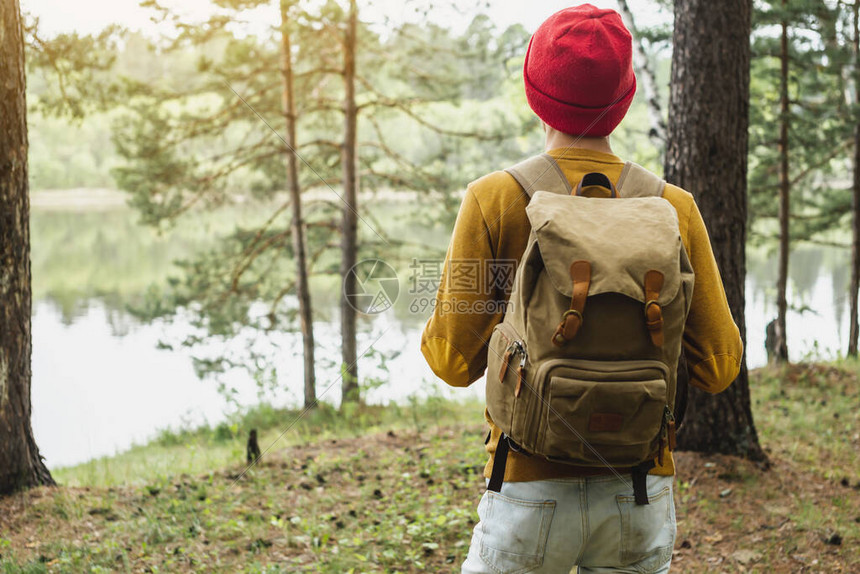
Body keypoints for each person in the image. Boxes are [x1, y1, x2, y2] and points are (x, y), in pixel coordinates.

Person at [420, 4, 744, 573]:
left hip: (525, 489)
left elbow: (451, 360)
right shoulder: (672, 208)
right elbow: (719, 366)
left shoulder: (494, 200)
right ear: (623, 101)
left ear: (533, 91)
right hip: (639, 491)